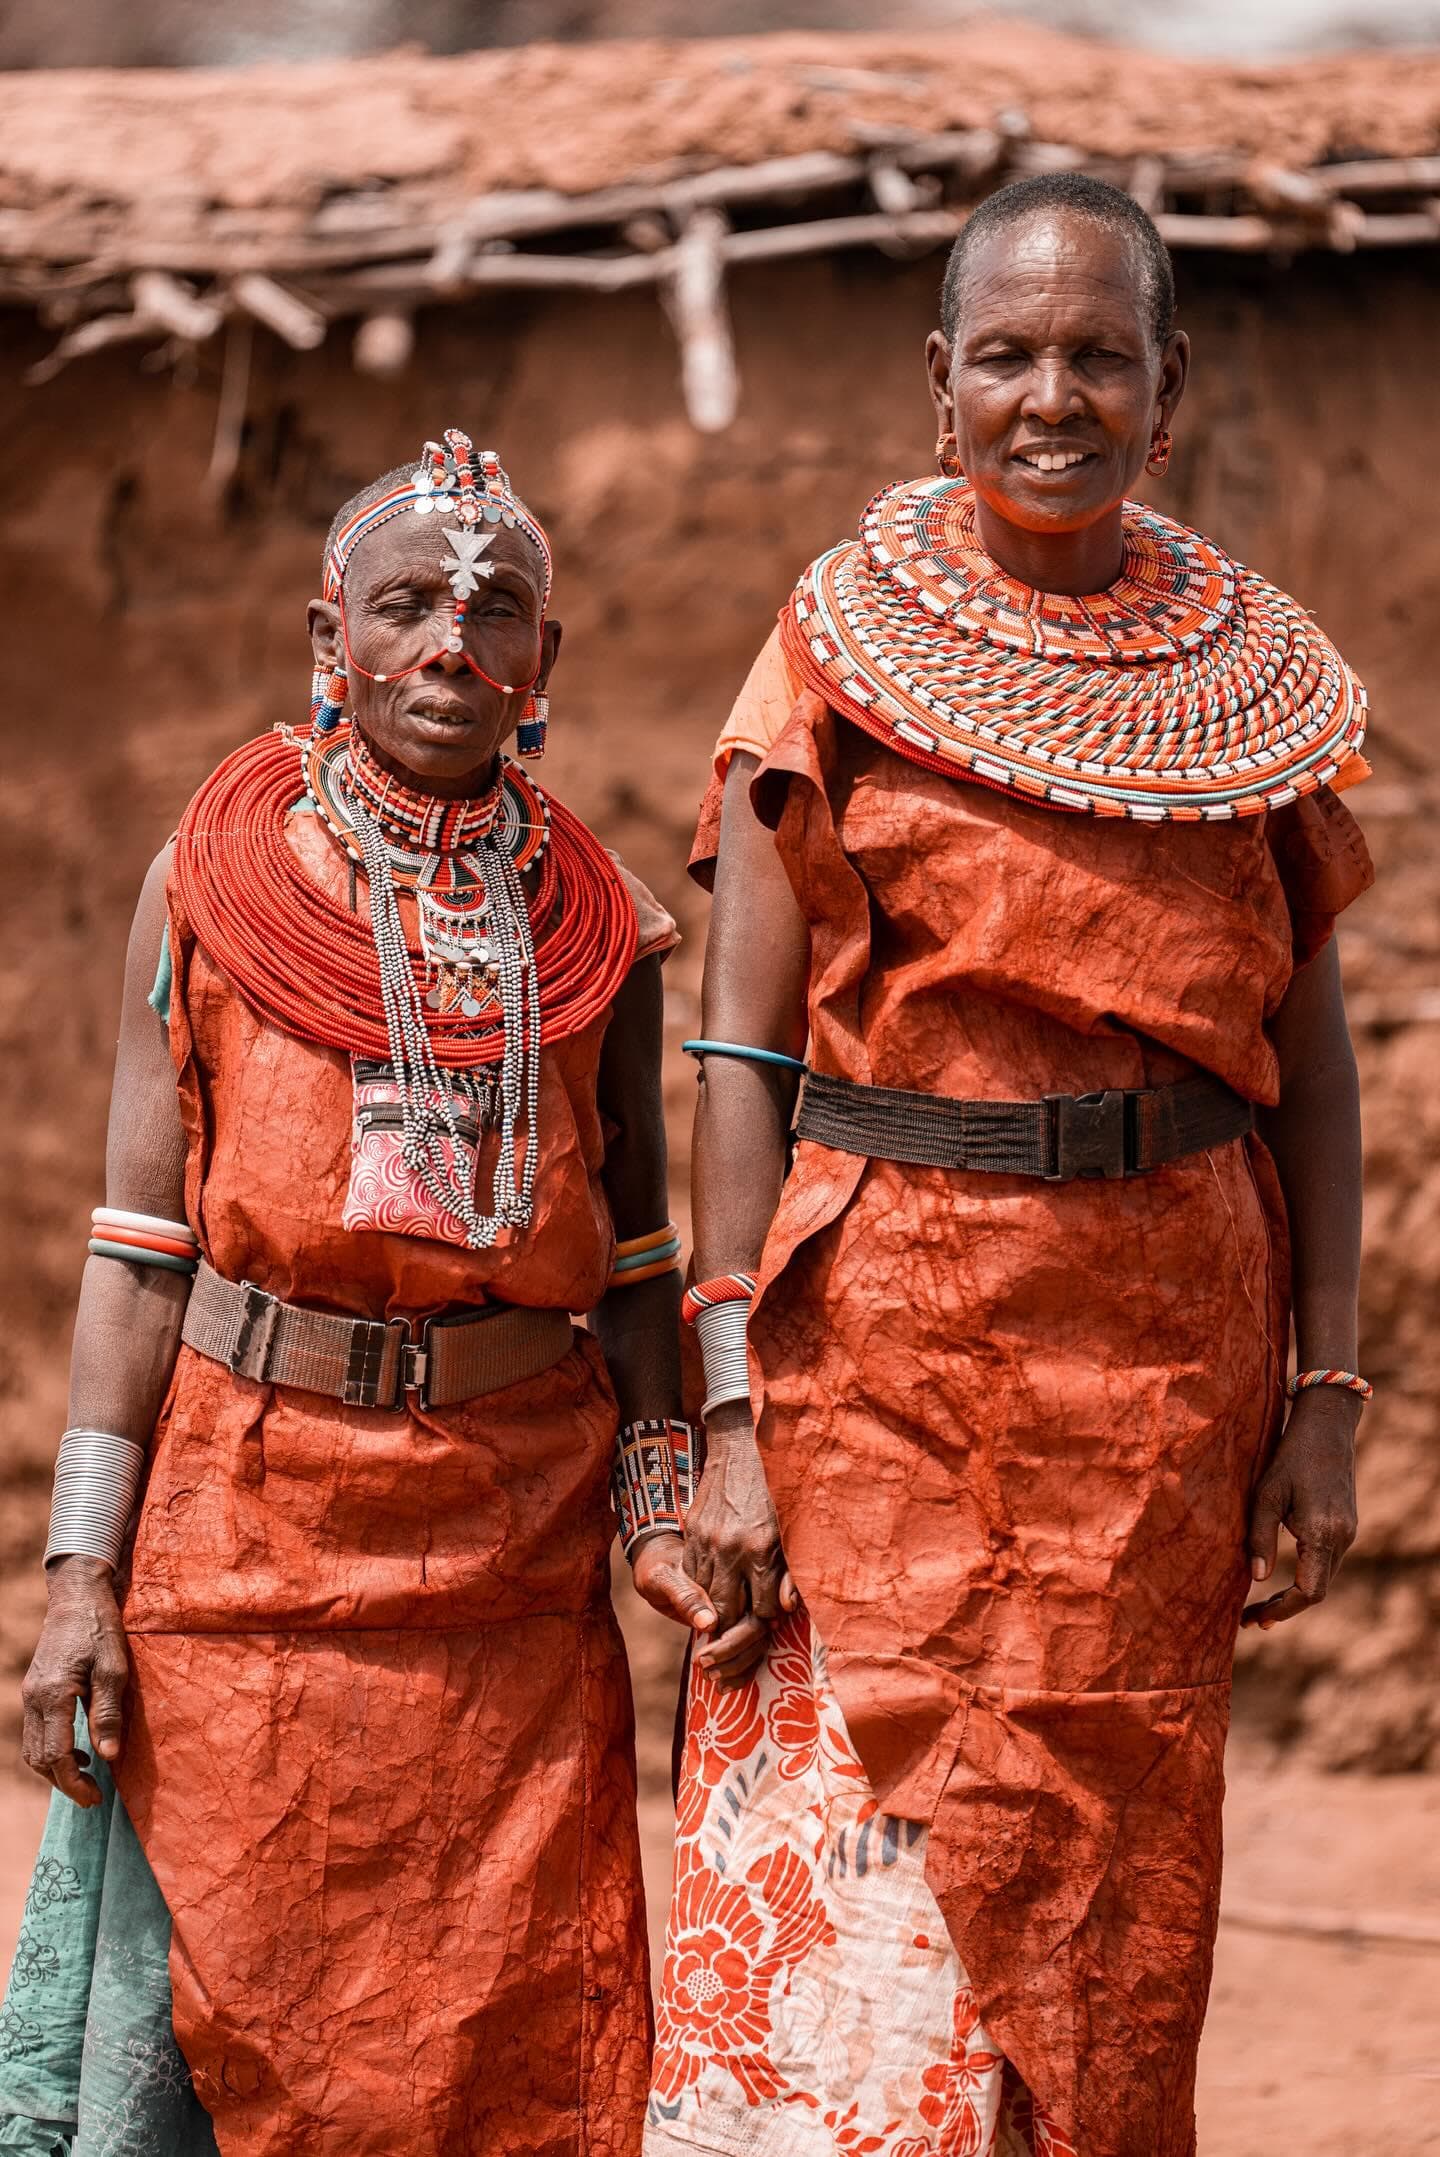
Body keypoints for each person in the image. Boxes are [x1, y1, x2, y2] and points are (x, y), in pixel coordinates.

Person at [649, 176, 1375, 2157]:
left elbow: (1313, 1073)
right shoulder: (829, 657)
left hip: (1162, 1395)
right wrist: (729, 1409)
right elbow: (738, 1055)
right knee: (869, 1879)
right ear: (939, 379)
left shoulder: (1258, 700)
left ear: (1170, 386)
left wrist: (1325, 1392)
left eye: (1100, 356)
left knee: (1109, 1875)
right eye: (1010, 355)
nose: (1054, 397)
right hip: (877, 1371)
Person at [1, 431, 715, 2157]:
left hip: (510, 1565)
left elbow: (638, 1260)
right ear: (330, 638)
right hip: (244, 1543)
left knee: (496, 2033)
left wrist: (664, 1496)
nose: (451, 642)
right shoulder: (214, 883)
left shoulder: (597, 926)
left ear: (547, 655)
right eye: (405, 605)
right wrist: (80, 1574)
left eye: (497, 608)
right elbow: (139, 1248)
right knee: (220, 2007)